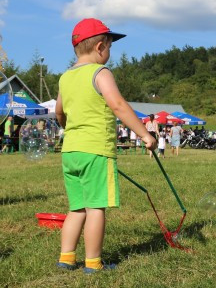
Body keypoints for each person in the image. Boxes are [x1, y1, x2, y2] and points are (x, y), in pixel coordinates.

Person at [54, 18, 156, 273]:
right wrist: (145, 134)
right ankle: (93, 263)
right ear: (100, 47)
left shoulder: (65, 78)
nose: (109, 52)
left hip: (71, 151)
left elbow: (59, 112)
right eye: (110, 46)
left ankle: (66, 258)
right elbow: (118, 105)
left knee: (76, 209)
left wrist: (70, 126)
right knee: (95, 208)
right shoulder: (101, 73)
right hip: (95, 150)